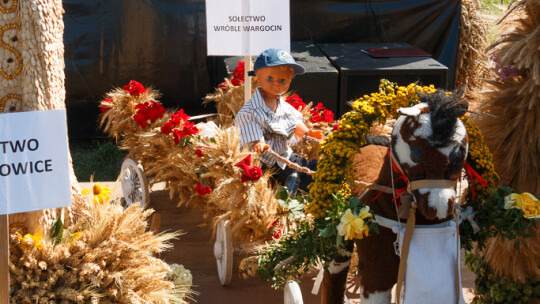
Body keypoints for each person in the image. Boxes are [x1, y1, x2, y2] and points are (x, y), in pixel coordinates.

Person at [234, 48, 323, 191]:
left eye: (283, 80)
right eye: (270, 78)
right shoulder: (249, 111)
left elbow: (293, 123)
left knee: (303, 168)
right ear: (258, 76)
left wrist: (308, 133)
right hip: (264, 160)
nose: (277, 84)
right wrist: (258, 141)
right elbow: (248, 126)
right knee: (280, 177)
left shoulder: (284, 107)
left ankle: (317, 180)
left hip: (283, 154)